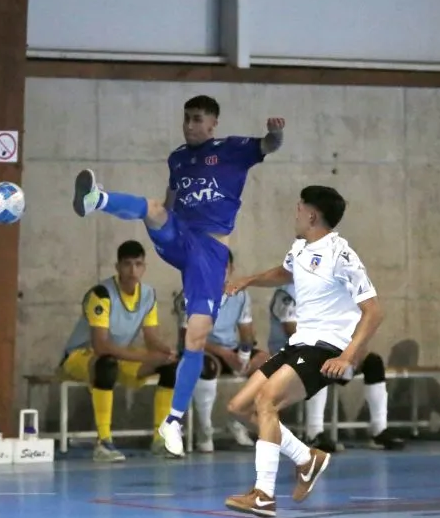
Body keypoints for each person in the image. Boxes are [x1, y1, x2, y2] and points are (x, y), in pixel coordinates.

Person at [71, 95, 284, 456]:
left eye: (196, 119)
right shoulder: (178, 159)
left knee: (195, 341)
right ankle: (98, 200)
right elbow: (169, 203)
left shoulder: (231, 150)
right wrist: (162, 224)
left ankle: (172, 422)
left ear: (212, 123)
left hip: (210, 253)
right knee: (153, 209)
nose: (188, 125)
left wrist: (274, 132)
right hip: (179, 238)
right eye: (185, 118)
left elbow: (269, 146)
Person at [222, 186, 385, 518]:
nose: (294, 214)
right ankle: (306, 458)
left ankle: (264, 494)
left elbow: (373, 311)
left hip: (326, 347)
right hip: (299, 344)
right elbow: (284, 273)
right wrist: (249, 280)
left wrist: (347, 356)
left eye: (299, 209)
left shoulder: (342, 255)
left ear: (312, 215)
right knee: (239, 407)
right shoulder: (299, 249)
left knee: (266, 401)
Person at [60, 240, 179, 462]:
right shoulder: (102, 294)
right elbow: (101, 346)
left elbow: (151, 337)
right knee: (106, 364)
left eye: (138, 264)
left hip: (121, 355)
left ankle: (160, 439)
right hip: (82, 356)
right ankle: (103, 442)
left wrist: (166, 351)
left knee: (171, 366)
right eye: (127, 264)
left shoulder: (148, 295)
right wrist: (145, 356)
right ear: (117, 267)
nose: (132, 270)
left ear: (144, 267)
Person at [269, 287, 404, 451]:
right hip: (293, 352)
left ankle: (379, 430)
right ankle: (314, 433)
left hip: (332, 350)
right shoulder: (287, 293)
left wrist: (354, 351)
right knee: (318, 362)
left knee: (373, 362)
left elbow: (354, 329)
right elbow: (294, 331)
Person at [176, 251, 267, 452]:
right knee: (205, 366)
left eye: (224, 266)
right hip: (202, 348)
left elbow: (247, 334)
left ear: (231, 269)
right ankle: (205, 429)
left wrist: (244, 355)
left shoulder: (241, 295)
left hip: (230, 348)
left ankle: (240, 417)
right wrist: (226, 355)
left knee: (270, 364)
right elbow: (187, 338)